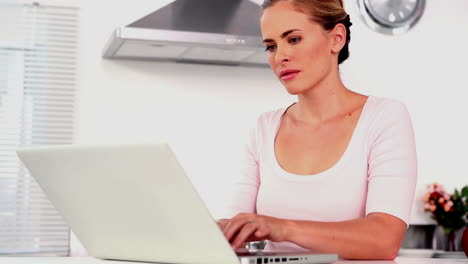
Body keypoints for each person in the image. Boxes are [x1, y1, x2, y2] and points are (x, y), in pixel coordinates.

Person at [217, 0, 417, 260]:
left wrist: (283, 227)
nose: (280, 57)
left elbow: (384, 240)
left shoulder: (383, 118)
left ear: (336, 38)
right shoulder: (264, 129)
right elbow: (237, 230)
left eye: (294, 39)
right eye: (271, 46)